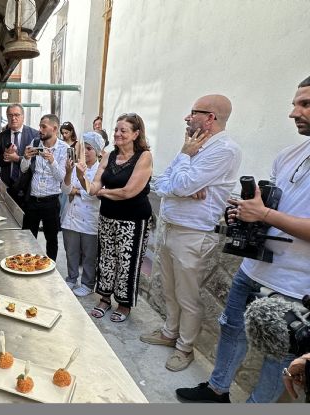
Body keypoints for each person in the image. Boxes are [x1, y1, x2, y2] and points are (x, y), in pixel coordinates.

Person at [176, 76, 310, 403]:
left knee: (276, 359)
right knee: (231, 328)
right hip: (253, 268)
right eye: (295, 103)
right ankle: (218, 389)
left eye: (305, 104)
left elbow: (270, 215)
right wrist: (243, 214)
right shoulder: (289, 154)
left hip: (295, 286)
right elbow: (271, 207)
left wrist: (263, 215)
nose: (293, 113)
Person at [140, 95, 242, 372]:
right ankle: (169, 333)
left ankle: (185, 348)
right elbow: (159, 182)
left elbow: (183, 184)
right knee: (170, 290)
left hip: (194, 235)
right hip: (171, 227)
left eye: (193, 113)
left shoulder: (225, 149)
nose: (187, 118)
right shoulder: (192, 144)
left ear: (210, 117)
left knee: (187, 296)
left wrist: (184, 165)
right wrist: (181, 183)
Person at [78, 113, 153, 323]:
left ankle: (124, 304)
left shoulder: (144, 156)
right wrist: (80, 174)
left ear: (136, 133)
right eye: (116, 130)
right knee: (106, 260)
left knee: (127, 262)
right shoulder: (109, 155)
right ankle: (104, 298)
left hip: (133, 219)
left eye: (124, 130)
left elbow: (129, 191)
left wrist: (102, 192)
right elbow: (93, 188)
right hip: (107, 216)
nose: (118, 134)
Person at [61, 131, 105, 297]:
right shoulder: (75, 166)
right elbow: (65, 189)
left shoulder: (100, 170)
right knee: (71, 251)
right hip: (71, 217)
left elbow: (94, 193)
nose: (85, 152)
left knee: (89, 255)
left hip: (90, 220)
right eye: (83, 148)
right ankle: (72, 278)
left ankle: (87, 283)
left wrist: (77, 190)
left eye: (89, 149)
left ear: (98, 151)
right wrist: (67, 172)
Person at [20, 114, 69, 261]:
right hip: (33, 199)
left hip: (51, 201)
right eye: (39, 126)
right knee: (28, 237)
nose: (40, 130)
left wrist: (52, 161)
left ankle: (50, 269)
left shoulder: (64, 148)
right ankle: (26, 265)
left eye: (43, 127)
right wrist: (26, 158)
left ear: (54, 129)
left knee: (51, 239)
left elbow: (62, 178)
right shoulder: (35, 142)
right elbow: (23, 170)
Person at [0, 103, 38, 205]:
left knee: (26, 219)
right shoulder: (0, 137)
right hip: (7, 186)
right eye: (10, 115)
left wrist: (17, 158)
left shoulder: (35, 135)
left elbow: (37, 162)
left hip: (27, 187)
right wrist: (5, 156)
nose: (13, 118)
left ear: (23, 116)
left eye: (17, 115)